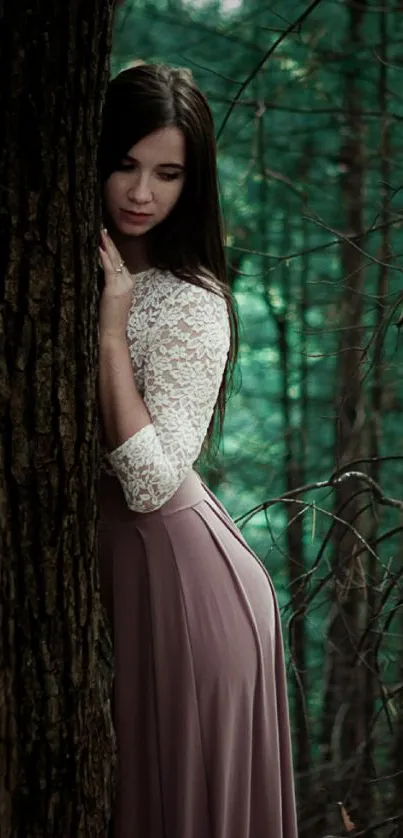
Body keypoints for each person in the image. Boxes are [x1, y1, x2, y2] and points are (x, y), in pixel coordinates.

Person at [98, 63, 297, 838]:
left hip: (187, 592)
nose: (140, 193)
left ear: (194, 182)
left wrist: (111, 328)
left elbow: (149, 481)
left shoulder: (192, 300)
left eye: (167, 173)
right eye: (124, 164)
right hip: (126, 583)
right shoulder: (54, 268)